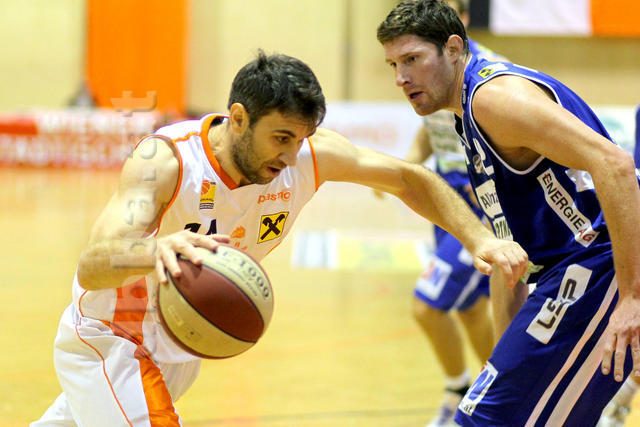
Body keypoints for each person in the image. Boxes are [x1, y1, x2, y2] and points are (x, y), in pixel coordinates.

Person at [32, 51, 527, 426]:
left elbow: (409, 179)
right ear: (239, 117)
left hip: (180, 341)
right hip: (115, 337)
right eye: (281, 138)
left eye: (301, 139)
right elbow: (92, 264)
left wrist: (479, 239)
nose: (291, 157)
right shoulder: (164, 162)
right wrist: (154, 248)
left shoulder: (307, 156)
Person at [377, 1, 640, 425]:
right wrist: (504, 354)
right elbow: (505, 251)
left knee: (483, 419)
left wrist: (632, 298)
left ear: (453, 48)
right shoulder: (468, 114)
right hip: (570, 274)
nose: (400, 78)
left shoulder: (493, 99)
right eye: (393, 64)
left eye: (412, 59)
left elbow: (616, 165)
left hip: (601, 265)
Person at [373, 2, 508, 425]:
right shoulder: (432, 76)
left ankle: (458, 391)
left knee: (426, 306)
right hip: (446, 196)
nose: (401, 73)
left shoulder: (487, 77)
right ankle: (501, 398)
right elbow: (431, 131)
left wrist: (491, 195)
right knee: (470, 308)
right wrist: (407, 169)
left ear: (461, 22)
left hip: (480, 202)